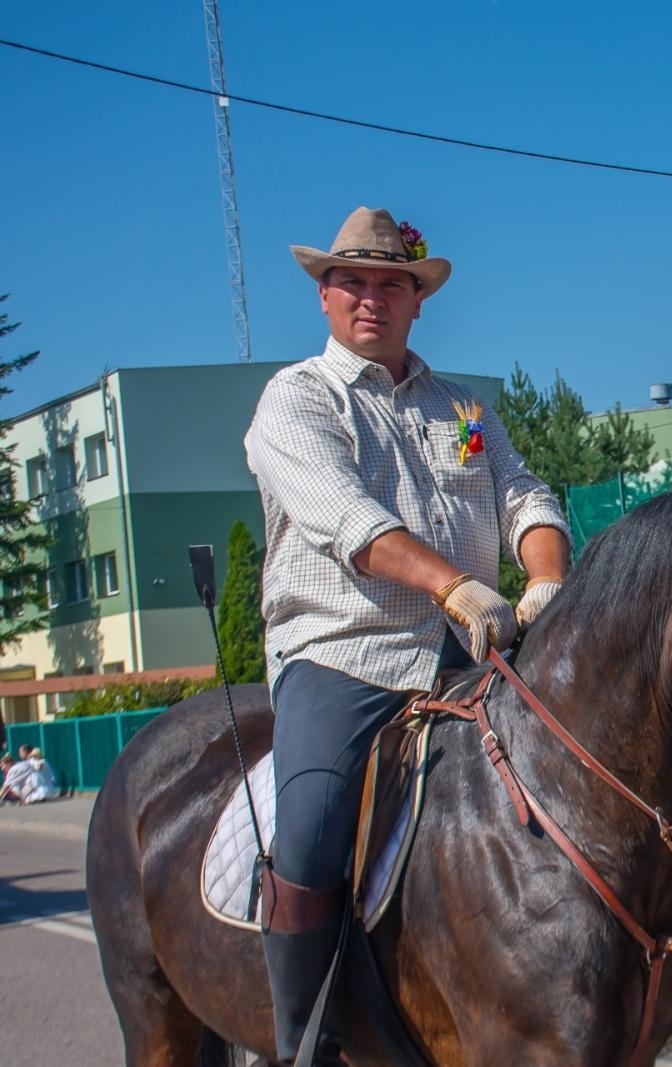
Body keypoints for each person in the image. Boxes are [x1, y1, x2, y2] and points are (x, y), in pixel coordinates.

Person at [244, 206, 570, 1063]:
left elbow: (524, 495)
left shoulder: (463, 404)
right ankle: (304, 1034)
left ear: (417, 300)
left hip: (474, 651)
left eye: (392, 283)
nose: (371, 298)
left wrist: (545, 577)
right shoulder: (295, 399)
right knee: (311, 824)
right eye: (353, 281)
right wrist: (454, 582)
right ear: (324, 294)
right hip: (345, 655)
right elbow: (345, 517)